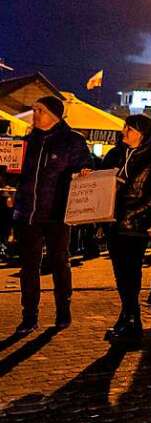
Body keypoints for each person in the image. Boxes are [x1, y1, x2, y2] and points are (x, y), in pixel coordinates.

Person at [11, 96, 93, 335]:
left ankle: (63, 311)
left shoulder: (73, 141)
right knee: (28, 266)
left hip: (57, 214)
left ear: (55, 115)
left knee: (59, 263)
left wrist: (84, 172)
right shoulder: (26, 141)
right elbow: (14, 174)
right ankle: (29, 316)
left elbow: (84, 168)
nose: (35, 114)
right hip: (27, 214)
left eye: (40, 110)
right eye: (34, 109)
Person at [100, 114, 151, 343]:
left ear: (142, 134)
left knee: (130, 274)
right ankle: (128, 317)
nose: (124, 132)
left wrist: (137, 212)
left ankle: (132, 321)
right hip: (113, 222)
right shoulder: (115, 154)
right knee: (121, 275)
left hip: (135, 225)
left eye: (129, 129)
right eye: (124, 128)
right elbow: (100, 180)